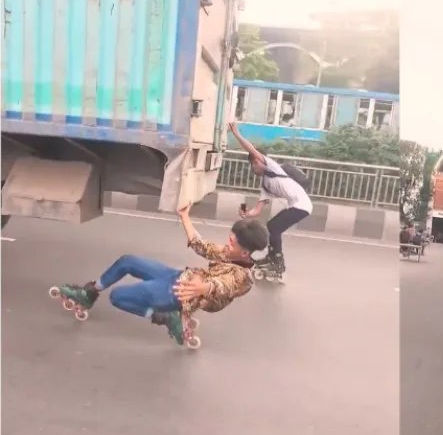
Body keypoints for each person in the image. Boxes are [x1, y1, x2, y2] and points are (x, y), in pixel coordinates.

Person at [52, 204, 270, 345]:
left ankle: (166, 317)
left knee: (117, 297)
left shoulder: (243, 278)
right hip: (178, 276)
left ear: (245, 252)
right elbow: (201, 246)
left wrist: (204, 287)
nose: (226, 244)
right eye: (229, 238)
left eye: (231, 243)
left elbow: (223, 285)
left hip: (179, 295)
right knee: (127, 261)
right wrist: (184, 215)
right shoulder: (229, 253)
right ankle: (89, 293)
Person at [228, 121, 313, 275]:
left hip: (302, 205)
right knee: (271, 226)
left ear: (259, 161)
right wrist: (247, 214)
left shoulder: (272, 167)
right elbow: (258, 210)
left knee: (274, 227)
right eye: (253, 164)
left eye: (256, 162)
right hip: (295, 205)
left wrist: (237, 134)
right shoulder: (266, 185)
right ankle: (273, 258)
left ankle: (277, 261)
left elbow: (252, 150)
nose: (255, 166)